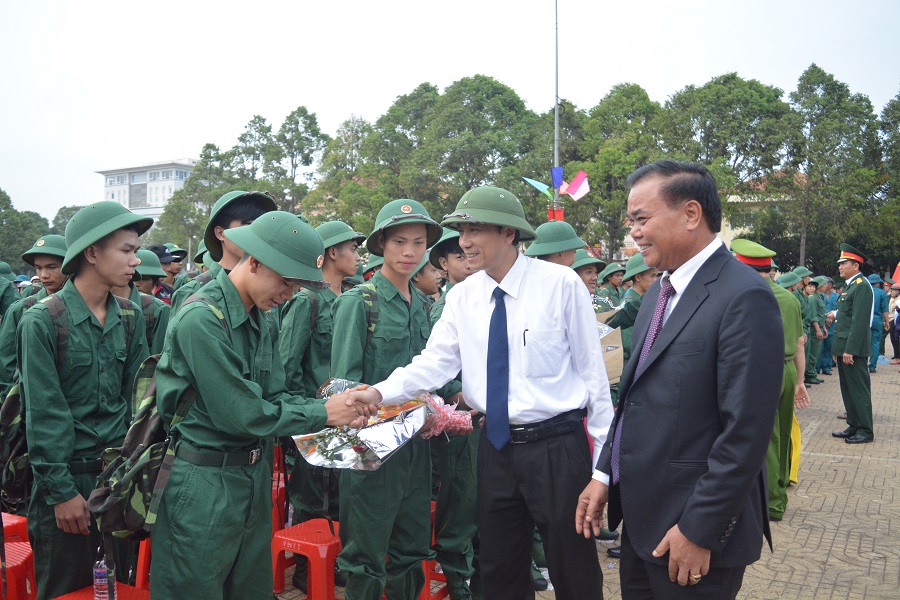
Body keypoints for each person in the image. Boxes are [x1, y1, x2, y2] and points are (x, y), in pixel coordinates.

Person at [350, 187, 612, 600]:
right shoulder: (464, 297)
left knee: (572, 564)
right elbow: (433, 364)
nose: (464, 242)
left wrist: (602, 470)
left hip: (557, 449)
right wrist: (378, 393)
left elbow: (594, 379)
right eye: (460, 232)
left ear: (509, 233)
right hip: (496, 448)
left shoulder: (560, 285)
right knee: (499, 565)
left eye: (474, 230)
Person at [576, 161, 783, 599]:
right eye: (631, 221)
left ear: (691, 214)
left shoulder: (744, 296)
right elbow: (633, 398)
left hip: (691, 534)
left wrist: (699, 530)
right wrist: (604, 474)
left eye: (641, 219)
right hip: (642, 523)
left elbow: (745, 432)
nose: (633, 231)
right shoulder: (659, 292)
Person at [149, 212, 373, 600]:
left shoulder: (262, 318)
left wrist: (338, 403)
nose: (288, 294)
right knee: (195, 587)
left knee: (249, 588)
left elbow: (277, 394)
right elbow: (243, 413)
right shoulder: (201, 319)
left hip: (251, 477)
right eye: (285, 281)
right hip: (204, 481)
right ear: (253, 261)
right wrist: (323, 413)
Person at [19, 202, 152, 599]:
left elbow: (138, 404)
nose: (136, 259)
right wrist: (60, 493)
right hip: (66, 481)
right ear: (91, 253)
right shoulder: (42, 321)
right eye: (126, 250)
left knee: (115, 586)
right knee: (66, 589)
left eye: (135, 249)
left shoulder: (130, 317)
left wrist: (130, 478)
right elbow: (42, 414)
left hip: (116, 480)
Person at [331, 199, 457, 600]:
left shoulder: (425, 306)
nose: (409, 252)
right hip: (370, 446)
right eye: (399, 241)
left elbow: (431, 376)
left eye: (418, 243)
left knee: (411, 547)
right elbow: (340, 385)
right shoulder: (360, 302)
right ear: (381, 244)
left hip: (416, 449)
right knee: (364, 556)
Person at [278, 219, 365, 592]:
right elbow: (286, 365)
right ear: (333, 253)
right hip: (313, 418)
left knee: (339, 493)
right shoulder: (307, 300)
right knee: (311, 496)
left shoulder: (351, 298)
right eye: (353, 249)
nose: (359, 257)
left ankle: (333, 561)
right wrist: (308, 413)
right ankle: (304, 569)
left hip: (344, 416)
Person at [732, 240, 808, 523]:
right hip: (787, 369)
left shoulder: (746, 294)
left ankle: (768, 502)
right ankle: (778, 495)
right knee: (783, 431)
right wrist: (800, 381)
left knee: (761, 437)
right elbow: (800, 343)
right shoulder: (789, 298)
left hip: (761, 372)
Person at [426, 227, 482, 599]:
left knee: (482, 496)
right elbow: (433, 367)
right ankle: (457, 575)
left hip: (488, 417)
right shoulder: (443, 307)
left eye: (468, 253)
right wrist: (457, 392)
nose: (467, 260)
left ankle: (478, 569)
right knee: (460, 498)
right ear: (443, 265)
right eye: (456, 256)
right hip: (458, 419)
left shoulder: (485, 299)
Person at [170, 190, 278, 313]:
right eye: (249, 226)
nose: (257, 235)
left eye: (261, 228)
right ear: (220, 233)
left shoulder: (269, 293)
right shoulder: (192, 292)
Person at [0, 235, 69, 399]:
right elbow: (6, 363)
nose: (44, 275)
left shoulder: (84, 306)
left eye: (52, 267)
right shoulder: (21, 309)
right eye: (38, 268)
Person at [830, 244, 875, 444]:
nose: (840, 267)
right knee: (847, 388)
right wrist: (839, 349)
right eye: (840, 263)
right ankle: (854, 424)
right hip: (844, 346)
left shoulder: (862, 286)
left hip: (853, 349)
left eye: (844, 263)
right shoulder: (850, 285)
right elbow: (845, 319)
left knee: (858, 390)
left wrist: (850, 349)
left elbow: (860, 321)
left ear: (856, 265)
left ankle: (865, 430)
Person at [803, 276, 826, 385]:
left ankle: (812, 373)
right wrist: (818, 329)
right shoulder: (813, 298)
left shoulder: (819, 297)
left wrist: (824, 327)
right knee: (812, 353)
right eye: (824, 284)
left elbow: (821, 315)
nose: (827, 286)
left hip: (820, 327)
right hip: (814, 329)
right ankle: (810, 374)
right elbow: (813, 315)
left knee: (815, 353)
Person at [866, 274, 890, 373]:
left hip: (864, 320)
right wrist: (887, 321)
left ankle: (862, 365)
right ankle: (872, 366)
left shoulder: (864, 291)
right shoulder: (882, 293)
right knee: (875, 343)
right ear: (877, 283)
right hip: (877, 320)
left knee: (863, 342)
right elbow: (884, 309)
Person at [818, 277, 838, 375]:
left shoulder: (836, 296)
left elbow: (839, 310)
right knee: (819, 347)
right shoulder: (818, 295)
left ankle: (827, 367)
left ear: (830, 285)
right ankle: (817, 367)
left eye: (826, 284)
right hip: (820, 324)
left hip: (832, 325)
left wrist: (831, 319)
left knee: (829, 347)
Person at [889, 283, 900, 364]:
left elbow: (892, 308)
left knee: (895, 339)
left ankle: (897, 357)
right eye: (892, 290)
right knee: (893, 339)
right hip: (890, 320)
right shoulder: (890, 298)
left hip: (896, 320)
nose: (893, 292)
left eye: (895, 290)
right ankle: (896, 355)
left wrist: (892, 298)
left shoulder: (897, 299)